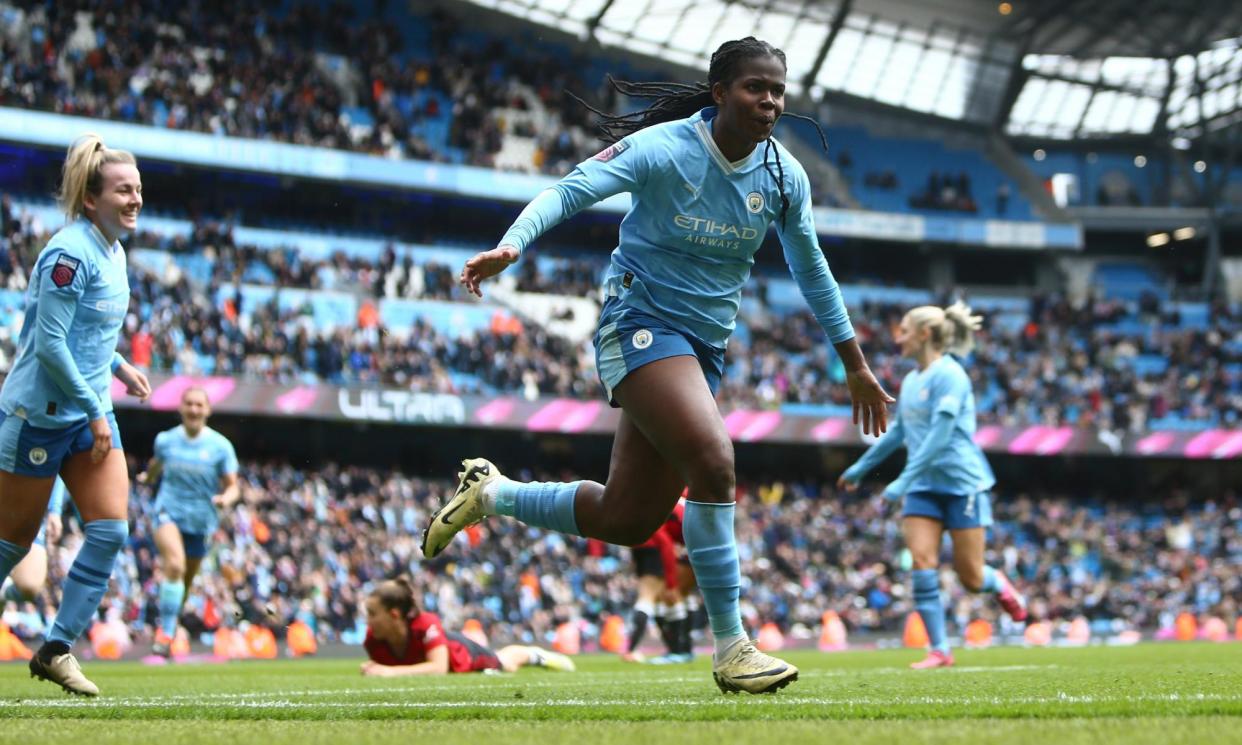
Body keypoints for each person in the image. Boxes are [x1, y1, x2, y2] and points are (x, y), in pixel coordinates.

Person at [421, 37, 893, 695]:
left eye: (779, 91)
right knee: (715, 459)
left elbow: (810, 266)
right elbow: (574, 187)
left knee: (628, 518)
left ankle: (492, 494)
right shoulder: (665, 148)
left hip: (702, 348)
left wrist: (855, 364)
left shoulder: (786, 176)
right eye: (757, 88)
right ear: (721, 90)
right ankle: (732, 648)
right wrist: (512, 244)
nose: (771, 103)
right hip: (637, 323)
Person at [0, 134, 151, 695]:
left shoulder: (113, 249)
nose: (135, 199)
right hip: (39, 416)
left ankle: (57, 648)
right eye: (123, 190)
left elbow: (87, 334)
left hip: (88, 410)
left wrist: (118, 365)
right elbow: (50, 344)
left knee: (110, 531)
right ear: (91, 200)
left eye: (138, 189)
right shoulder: (69, 253)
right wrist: (93, 408)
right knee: (11, 545)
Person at [837, 302, 1027, 669]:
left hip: (961, 484)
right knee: (922, 563)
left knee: (970, 578)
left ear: (925, 334)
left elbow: (939, 438)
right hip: (923, 486)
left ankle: (998, 582)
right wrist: (862, 468)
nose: (898, 337)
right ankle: (940, 649)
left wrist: (901, 480)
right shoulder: (911, 381)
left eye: (904, 329)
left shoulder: (951, 376)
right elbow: (903, 433)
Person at [138, 387, 239, 658]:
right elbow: (156, 466)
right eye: (189, 404)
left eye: (199, 405)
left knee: (183, 582)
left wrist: (226, 499)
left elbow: (233, 486)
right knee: (174, 565)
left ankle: (170, 627)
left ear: (207, 410)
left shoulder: (220, 447)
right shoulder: (166, 440)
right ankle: (166, 634)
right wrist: (146, 478)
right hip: (168, 512)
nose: (194, 409)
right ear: (181, 408)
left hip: (201, 521)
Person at [361, 577, 575, 676]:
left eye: (372, 614)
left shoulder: (425, 624)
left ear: (394, 615)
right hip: (449, 660)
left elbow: (438, 668)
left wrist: (388, 672)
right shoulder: (373, 639)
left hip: (462, 653)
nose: (367, 621)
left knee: (504, 663)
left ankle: (535, 655)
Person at [0, 478, 67, 608]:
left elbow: (57, 464)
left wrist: (55, 510)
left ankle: (3, 593)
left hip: (32, 506)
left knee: (30, 585)